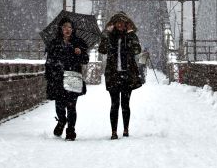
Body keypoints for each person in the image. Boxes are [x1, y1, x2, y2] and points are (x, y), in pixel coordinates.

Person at [98, 11, 143, 140]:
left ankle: (125, 129)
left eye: (122, 22)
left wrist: (130, 34)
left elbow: (137, 50)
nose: (120, 25)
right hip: (113, 75)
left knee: (125, 104)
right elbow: (102, 50)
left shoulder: (130, 36)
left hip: (127, 75)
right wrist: (106, 33)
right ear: (114, 24)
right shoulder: (110, 37)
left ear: (126, 24)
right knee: (114, 104)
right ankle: (113, 131)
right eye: (117, 22)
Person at [45, 17, 89, 141]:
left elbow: (85, 60)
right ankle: (61, 121)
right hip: (58, 78)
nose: (67, 29)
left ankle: (71, 130)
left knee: (71, 106)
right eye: (65, 27)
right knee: (59, 105)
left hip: (73, 77)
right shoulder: (54, 43)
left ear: (73, 29)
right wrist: (50, 74)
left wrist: (80, 53)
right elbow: (49, 61)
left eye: (69, 27)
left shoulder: (78, 42)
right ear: (61, 29)